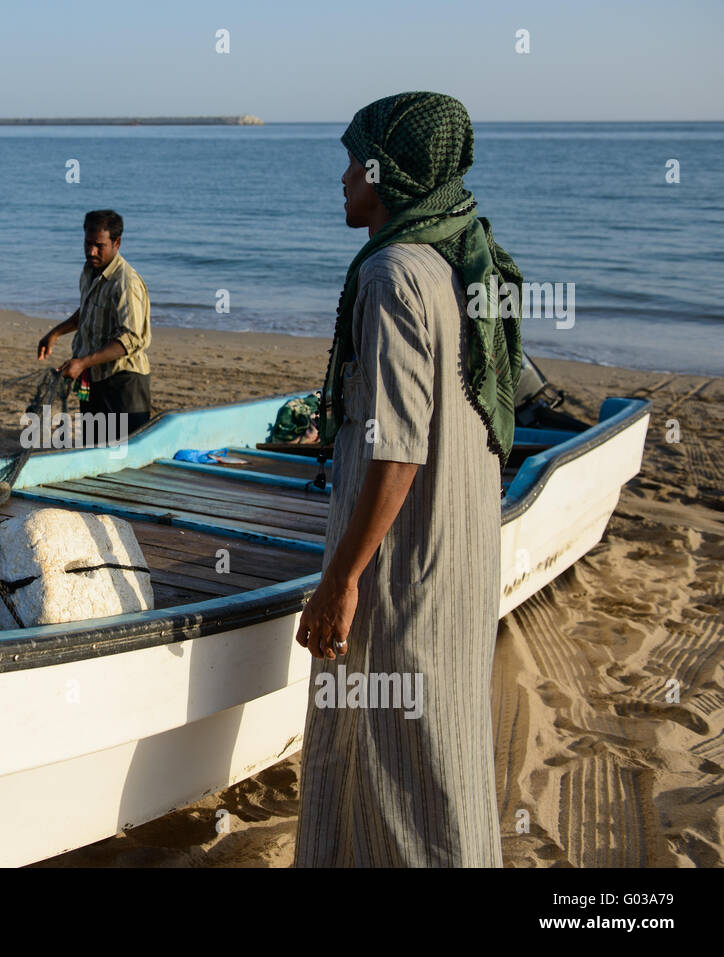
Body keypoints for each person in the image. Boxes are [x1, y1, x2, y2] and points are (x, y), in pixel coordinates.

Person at [293, 92, 524, 867]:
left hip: (399, 567)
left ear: (387, 170)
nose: (344, 177)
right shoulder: (456, 255)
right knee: (439, 754)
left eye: (355, 160)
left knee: (391, 764)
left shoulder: (393, 274)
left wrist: (341, 579)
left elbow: (396, 448)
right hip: (456, 558)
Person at [37, 209, 152, 442]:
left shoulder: (125, 282)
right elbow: (88, 311)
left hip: (123, 382)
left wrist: (82, 362)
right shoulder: (89, 271)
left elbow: (130, 339)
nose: (91, 251)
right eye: (88, 243)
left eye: (99, 245)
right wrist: (55, 333)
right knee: (94, 446)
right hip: (92, 379)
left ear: (116, 243)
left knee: (125, 451)